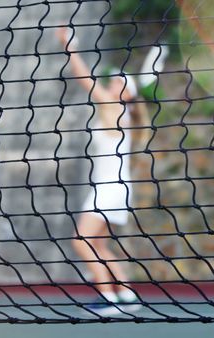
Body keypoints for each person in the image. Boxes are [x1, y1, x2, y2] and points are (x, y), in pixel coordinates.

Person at [56, 27, 148, 315]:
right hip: (116, 187)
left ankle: (108, 298)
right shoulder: (121, 114)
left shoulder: (114, 108)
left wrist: (70, 46)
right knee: (98, 245)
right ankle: (128, 295)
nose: (113, 82)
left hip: (109, 188)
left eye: (120, 82)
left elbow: (84, 79)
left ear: (128, 95)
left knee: (80, 241)